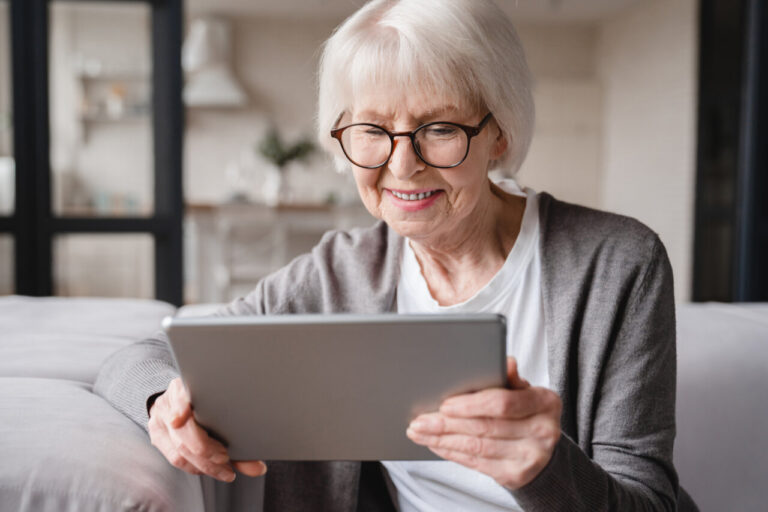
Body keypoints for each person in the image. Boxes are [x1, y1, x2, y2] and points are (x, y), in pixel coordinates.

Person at [95, 0, 697, 510]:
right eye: (373, 130)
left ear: (499, 134)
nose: (401, 165)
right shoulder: (338, 272)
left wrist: (544, 467)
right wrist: (163, 403)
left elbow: (648, 499)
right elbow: (137, 358)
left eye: (439, 128)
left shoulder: (619, 263)